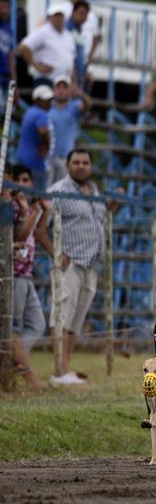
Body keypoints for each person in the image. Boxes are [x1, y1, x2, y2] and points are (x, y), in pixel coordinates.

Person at [42, 149, 122, 382]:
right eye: (76, 162)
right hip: (70, 263)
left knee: (76, 320)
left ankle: (65, 368)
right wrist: (55, 253)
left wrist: (113, 205)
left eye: (85, 162)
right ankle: (60, 370)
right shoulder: (58, 191)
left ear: (90, 166)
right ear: (67, 165)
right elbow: (40, 225)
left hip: (90, 264)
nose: (81, 166)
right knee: (62, 316)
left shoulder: (94, 191)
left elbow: (100, 219)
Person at [8, 166, 50, 388]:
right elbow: (19, 235)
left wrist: (44, 210)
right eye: (20, 180)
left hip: (26, 275)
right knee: (13, 327)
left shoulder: (28, 207)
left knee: (37, 324)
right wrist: (31, 211)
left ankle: (11, 361)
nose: (24, 184)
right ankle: (21, 370)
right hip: (14, 274)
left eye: (27, 180)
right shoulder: (13, 207)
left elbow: (39, 231)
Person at [17, 3, 76, 86]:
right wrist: (36, 66)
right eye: (55, 16)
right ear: (50, 18)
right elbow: (23, 47)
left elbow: (72, 59)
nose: (58, 18)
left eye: (60, 16)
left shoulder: (68, 35)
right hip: (45, 80)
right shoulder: (43, 32)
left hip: (63, 83)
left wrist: (73, 82)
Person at [48, 75, 91, 185]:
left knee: (61, 191)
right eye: (58, 87)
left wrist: (80, 94)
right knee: (46, 190)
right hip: (48, 157)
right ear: (54, 89)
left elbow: (88, 105)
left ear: (69, 90)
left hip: (65, 158)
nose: (61, 91)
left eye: (64, 87)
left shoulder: (74, 106)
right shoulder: (47, 106)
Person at [16, 85, 53, 192]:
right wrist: (47, 146)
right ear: (37, 100)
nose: (49, 102)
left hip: (22, 157)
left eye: (50, 99)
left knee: (21, 192)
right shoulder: (41, 114)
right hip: (35, 162)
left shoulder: (30, 111)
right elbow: (43, 131)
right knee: (39, 196)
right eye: (46, 100)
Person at [67, 0, 101, 81]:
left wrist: (89, 58)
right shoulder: (64, 11)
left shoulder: (91, 16)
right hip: (70, 61)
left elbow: (95, 37)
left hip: (83, 59)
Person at [0, 0, 14, 101]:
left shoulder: (9, 28)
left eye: (7, 7)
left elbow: (10, 55)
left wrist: (13, 79)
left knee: (7, 111)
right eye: (2, 7)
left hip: (6, 75)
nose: (5, 10)